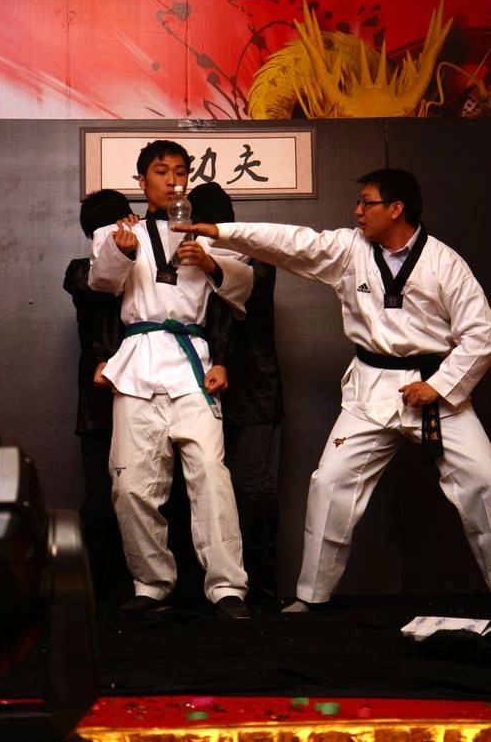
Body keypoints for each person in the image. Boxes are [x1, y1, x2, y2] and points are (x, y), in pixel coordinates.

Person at [176, 167, 491, 611]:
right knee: (329, 484)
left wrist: (438, 386)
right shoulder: (349, 249)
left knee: (485, 481)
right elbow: (289, 242)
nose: (357, 211)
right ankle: (311, 597)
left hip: (434, 390)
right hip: (371, 390)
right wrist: (222, 232)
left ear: (396, 209)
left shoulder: (445, 263)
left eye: (367, 202)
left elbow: (481, 336)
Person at [87, 140, 253, 619]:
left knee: (211, 476)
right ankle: (151, 584)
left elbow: (244, 289)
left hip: (191, 363)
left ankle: (227, 588)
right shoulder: (116, 232)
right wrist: (121, 255)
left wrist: (212, 263)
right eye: (162, 171)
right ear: (142, 181)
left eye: (181, 172)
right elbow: (100, 283)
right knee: (131, 484)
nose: (173, 180)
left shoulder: (208, 235)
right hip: (138, 364)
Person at [188, 182, 284, 604]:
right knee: (203, 490)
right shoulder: (185, 260)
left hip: (254, 392)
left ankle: (259, 589)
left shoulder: (254, 257)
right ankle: (211, 589)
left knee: (253, 492)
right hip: (198, 388)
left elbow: (242, 299)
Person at [63, 188, 133, 598]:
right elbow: (100, 290)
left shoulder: (150, 265)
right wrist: (119, 251)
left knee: (146, 495)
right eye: (122, 219)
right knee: (100, 501)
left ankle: (142, 591)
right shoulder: (80, 272)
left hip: (145, 394)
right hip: (100, 401)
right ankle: (91, 594)